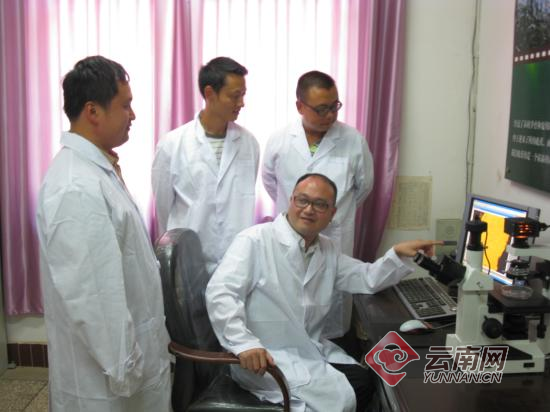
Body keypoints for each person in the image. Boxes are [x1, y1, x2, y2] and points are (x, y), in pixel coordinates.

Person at [206, 173, 441, 412]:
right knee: (357, 389)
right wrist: (244, 344)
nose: (309, 210)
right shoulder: (254, 240)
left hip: (306, 349)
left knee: (367, 377)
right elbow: (221, 293)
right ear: (291, 200)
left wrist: (397, 254)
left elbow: (365, 277)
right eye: (302, 200)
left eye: (320, 204)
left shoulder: (326, 248)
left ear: (332, 213)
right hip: (263, 358)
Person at [36, 56, 171, 411]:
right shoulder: (76, 187)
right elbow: (94, 295)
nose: (133, 115)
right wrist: (126, 370)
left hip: (132, 363)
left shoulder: (97, 170)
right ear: (93, 111)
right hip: (111, 382)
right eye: (125, 105)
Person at [262, 70, 374, 339]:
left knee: (332, 311)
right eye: (321, 109)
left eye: (335, 106)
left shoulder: (353, 140)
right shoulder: (279, 140)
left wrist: (335, 215)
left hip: (334, 234)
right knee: (288, 306)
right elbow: (270, 182)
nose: (330, 115)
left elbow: (364, 186)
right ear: (300, 106)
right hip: (289, 239)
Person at [152, 56, 259, 276]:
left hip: (236, 261)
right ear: (210, 93)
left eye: (243, 95)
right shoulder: (172, 144)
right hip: (188, 262)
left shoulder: (249, 144)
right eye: (235, 96)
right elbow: (163, 208)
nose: (241, 103)